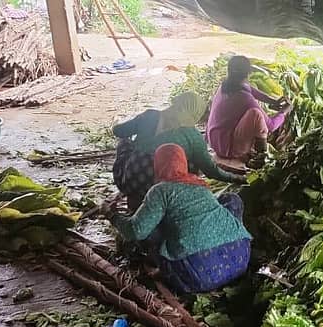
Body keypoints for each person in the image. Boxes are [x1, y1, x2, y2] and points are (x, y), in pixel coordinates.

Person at [102, 144, 252, 294]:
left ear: (158, 164)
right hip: (239, 260)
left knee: (150, 229)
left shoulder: (160, 190)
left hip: (198, 277)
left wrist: (112, 215)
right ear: (183, 163)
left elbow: (136, 231)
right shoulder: (200, 185)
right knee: (231, 199)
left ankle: (166, 269)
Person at [112, 91, 245, 210]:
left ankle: (136, 200)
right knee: (191, 163)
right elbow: (210, 171)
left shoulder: (149, 115)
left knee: (125, 142)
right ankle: (162, 206)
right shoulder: (192, 135)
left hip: (131, 178)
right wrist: (235, 178)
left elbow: (118, 131)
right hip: (162, 188)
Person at [206, 55, 292, 163]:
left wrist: (272, 101)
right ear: (248, 73)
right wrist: (284, 111)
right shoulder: (244, 97)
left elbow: (250, 89)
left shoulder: (225, 86)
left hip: (215, 141)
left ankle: (245, 151)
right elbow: (271, 126)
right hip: (227, 149)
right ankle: (260, 158)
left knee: (252, 114)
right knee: (256, 115)